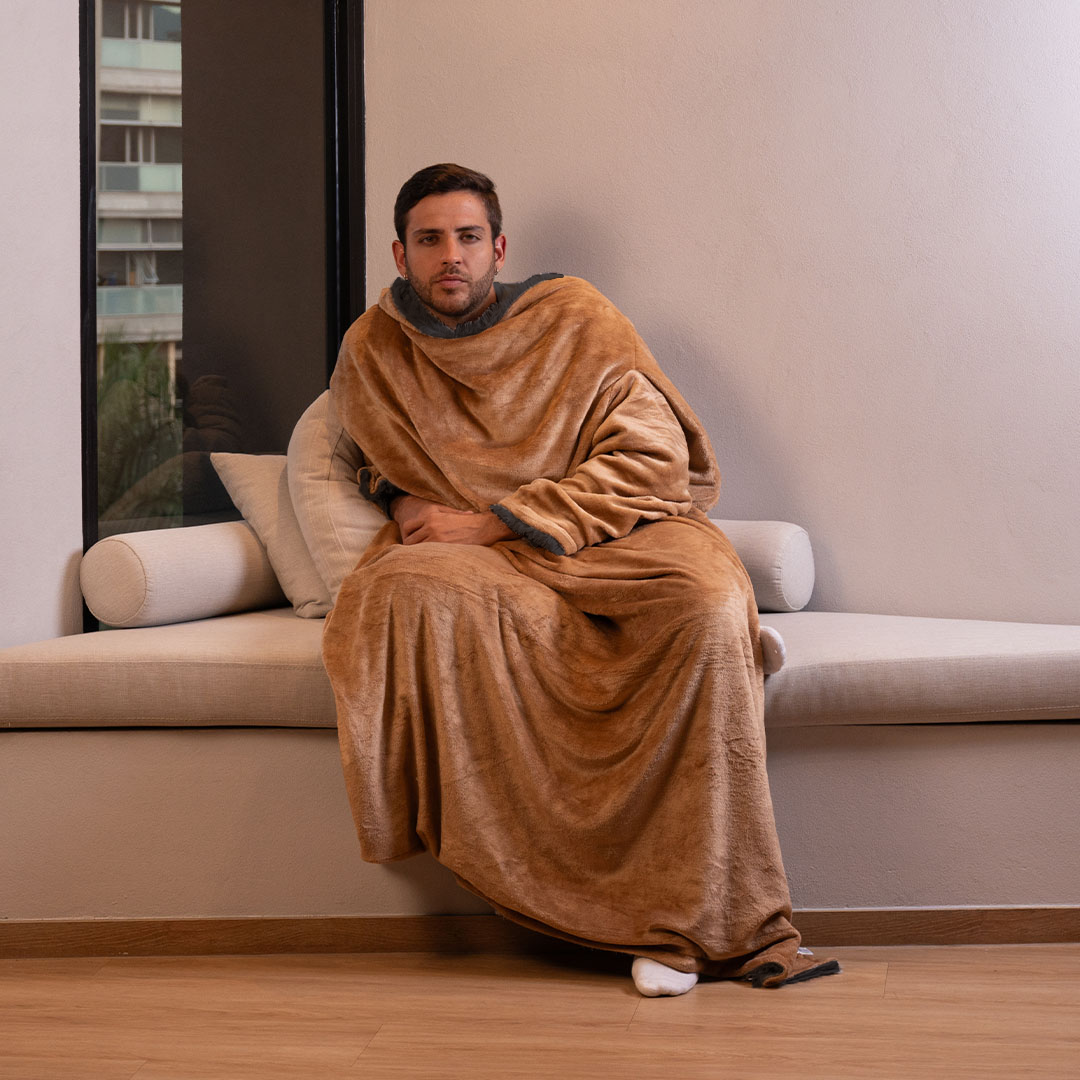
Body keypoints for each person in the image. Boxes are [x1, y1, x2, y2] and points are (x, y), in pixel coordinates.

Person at [322, 163, 838, 995]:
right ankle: (626, 920)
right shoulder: (375, 349)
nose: (450, 256)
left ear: (499, 248)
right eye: (429, 240)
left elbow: (652, 459)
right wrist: (403, 495)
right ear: (400, 252)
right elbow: (373, 455)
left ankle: (705, 917)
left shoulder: (575, 319)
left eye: (467, 237)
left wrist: (494, 518)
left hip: (615, 532)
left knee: (708, 604)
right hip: (489, 565)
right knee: (402, 590)